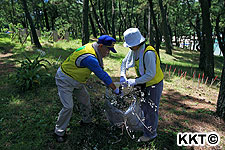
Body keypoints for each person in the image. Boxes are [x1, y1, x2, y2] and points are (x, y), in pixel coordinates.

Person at [54, 35, 122, 142]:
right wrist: (115, 89)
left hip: (78, 80)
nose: (108, 52)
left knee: (85, 100)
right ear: (100, 46)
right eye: (108, 49)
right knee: (68, 106)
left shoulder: (93, 48)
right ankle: (59, 132)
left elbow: (100, 68)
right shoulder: (89, 57)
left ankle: (87, 121)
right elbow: (101, 74)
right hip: (65, 79)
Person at [120, 28, 164, 142]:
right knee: (144, 106)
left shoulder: (148, 53)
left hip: (153, 84)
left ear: (137, 43)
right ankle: (145, 126)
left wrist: (134, 81)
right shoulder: (134, 51)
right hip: (143, 83)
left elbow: (150, 74)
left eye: (130, 45)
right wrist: (122, 75)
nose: (129, 47)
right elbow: (124, 62)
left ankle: (150, 135)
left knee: (151, 109)